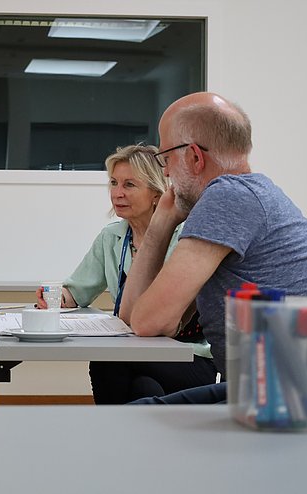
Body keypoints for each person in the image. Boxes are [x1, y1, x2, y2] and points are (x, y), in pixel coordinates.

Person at [119, 92, 307, 404]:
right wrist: (161, 223)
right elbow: (133, 317)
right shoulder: (247, 194)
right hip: (287, 382)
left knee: (133, 420)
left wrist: (159, 227)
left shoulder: (228, 198)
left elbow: (149, 321)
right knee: (137, 414)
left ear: (195, 157)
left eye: (165, 158)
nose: (166, 173)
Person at [36, 145, 217, 403]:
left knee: (108, 362)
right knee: (144, 387)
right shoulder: (112, 237)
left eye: (129, 185)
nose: (117, 193)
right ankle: (135, 440)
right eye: (113, 183)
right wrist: (55, 297)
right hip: (136, 352)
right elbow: (76, 292)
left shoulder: (185, 237)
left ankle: (111, 437)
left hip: (187, 355)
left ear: (156, 193)